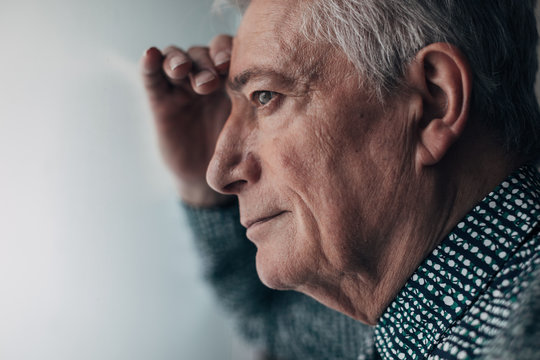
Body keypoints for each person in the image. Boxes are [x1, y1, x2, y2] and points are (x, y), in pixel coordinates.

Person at [141, 0, 540, 359]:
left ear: (435, 99)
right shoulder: (420, 312)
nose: (218, 173)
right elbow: (269, 319)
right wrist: (201, 194)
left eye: (265, 96)